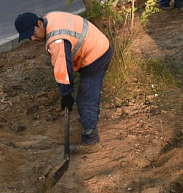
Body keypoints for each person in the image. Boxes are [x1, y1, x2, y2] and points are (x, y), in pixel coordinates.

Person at [14, 11, 113, 146]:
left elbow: (63, 69)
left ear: (39, 23)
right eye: (28, 37)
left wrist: (66, 94)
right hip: (96, 45)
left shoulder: (57, 40)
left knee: (86, 99)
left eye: (33, 33)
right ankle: (89, 118)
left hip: (95, 55)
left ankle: (91, 137)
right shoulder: (51, 18)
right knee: (88, 95)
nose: (32, 39)